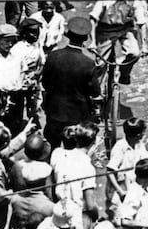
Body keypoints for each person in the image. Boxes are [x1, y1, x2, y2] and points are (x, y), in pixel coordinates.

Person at [39, 15, 101, 147]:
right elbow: (95, 92)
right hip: (77, 114)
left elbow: (45, 83)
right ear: (85, 39)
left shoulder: (53, 56)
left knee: (52, 143)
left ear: (68, 36)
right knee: (73, 146)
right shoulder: (88, 63)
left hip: (54, 110)